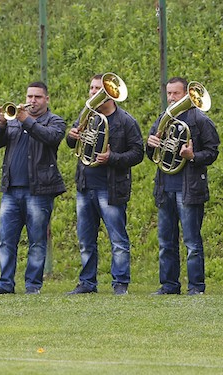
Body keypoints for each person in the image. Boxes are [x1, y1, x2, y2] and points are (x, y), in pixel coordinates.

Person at [0, 82, 67, 295]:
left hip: (39, 191)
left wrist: (26, 120)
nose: (32, 100)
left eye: (38, 97)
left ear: (46, 99)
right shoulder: (14, 120)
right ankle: (5, 283)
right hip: (11, 190)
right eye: (30, 96)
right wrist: (1, 124)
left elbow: (50, 137)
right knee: (6, 240)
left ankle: (32, 285)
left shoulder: (54, 121)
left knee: (37, 241)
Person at [65, 74, 144, 295]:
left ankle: (120, 283)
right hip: (85, 186)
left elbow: (138, 153)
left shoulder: (126, 121)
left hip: (110, 188)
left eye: (98, 88)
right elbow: (72, 143)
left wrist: (112, 158)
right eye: (91, 88)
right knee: (85, 239)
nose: (93, 92)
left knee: (117, 239)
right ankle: (87, 283)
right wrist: (72, 136)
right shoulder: (86, 115)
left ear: (110, 93)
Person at [147, 77, 220, 295]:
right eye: (169, 93)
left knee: (192, 243)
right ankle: (169, 285)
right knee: (166, 242)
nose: (171, 98)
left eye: (176, 94)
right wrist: (151, 145)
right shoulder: (163, 118)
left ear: (187, 94)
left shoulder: (200, 120)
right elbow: (152, 154)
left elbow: (212, 152)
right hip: (165, 187)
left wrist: (192, 155)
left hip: (190, 188)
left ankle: (196, 287)